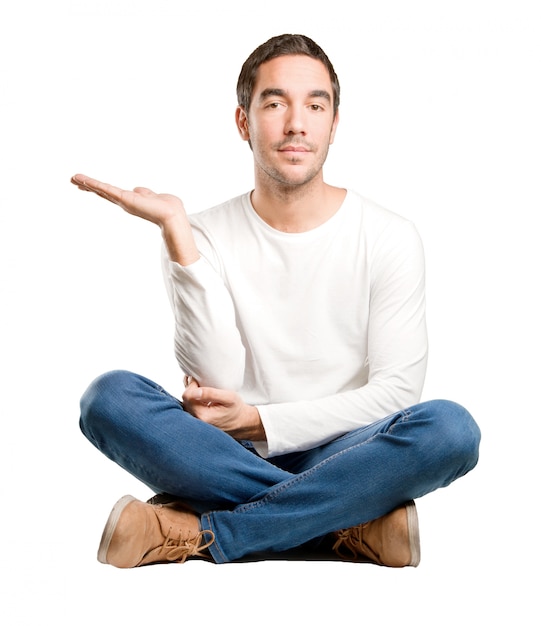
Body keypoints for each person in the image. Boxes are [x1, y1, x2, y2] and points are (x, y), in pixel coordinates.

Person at [71, 33, 480, 569]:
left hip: (350, 449)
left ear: (334, 123)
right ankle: (347, 521)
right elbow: (217, 375)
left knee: (450, 430)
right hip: (226, 454)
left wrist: (261, 421)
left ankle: (204, 533)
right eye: (274, 103)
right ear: (243, 122)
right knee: (108, 398)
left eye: (315, 105)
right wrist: (176, 230)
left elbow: (395, 393)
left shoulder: (389, 236)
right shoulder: (200, 234)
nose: (296, 124)